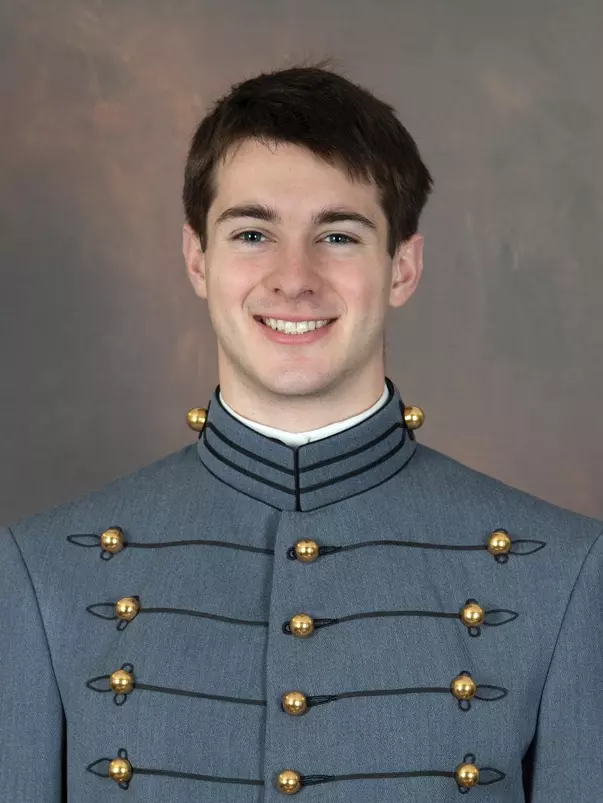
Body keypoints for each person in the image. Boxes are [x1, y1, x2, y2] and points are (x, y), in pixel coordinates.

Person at [1, 63, 601, 803]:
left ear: (403, 267)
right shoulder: (43, 574)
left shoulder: (566, 574)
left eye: (338, 236)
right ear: (197, 260)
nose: (294, 278)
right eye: (253, 233)